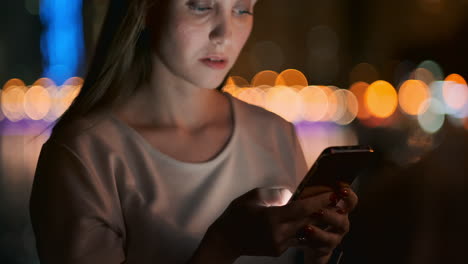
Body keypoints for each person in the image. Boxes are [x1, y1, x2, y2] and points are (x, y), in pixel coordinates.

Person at [29, 0, 358, 263]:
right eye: (201, 7)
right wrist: (225, 245)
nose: (224, 33)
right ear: (146, 8)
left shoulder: (275, 133)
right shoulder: (84, 153)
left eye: (242, 10)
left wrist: (320, 251)